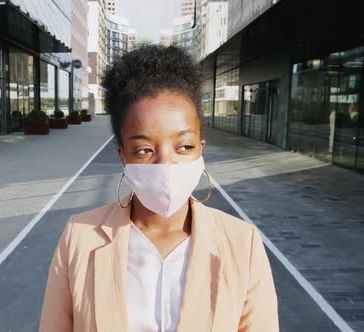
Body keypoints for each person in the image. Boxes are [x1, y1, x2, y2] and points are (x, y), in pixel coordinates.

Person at [39, 44, 278, 332]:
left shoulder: (243, 243)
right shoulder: (80, 237)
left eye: (184, 146)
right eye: (143, 149)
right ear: (122, 156)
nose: (166, 163)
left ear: (200, 149)